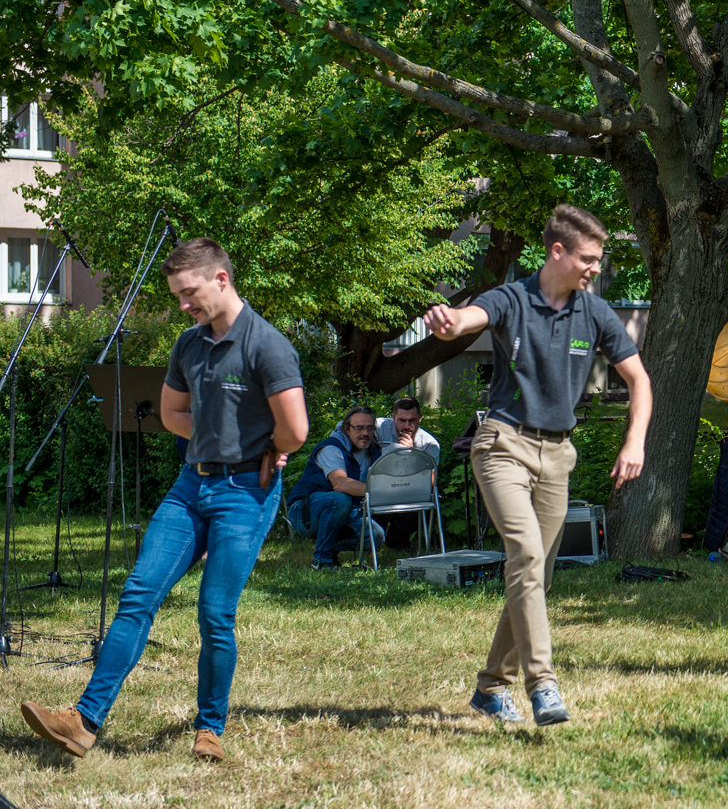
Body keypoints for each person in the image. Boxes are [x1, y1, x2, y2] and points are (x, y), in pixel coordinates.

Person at [20, 238, 308, 762]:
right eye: (178, 295)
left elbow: (296, 430)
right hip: (190, 487)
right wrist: (216, 434)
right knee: (138, 595)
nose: (183, 304)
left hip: (247, 493)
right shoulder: (188, 345)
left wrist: (267, 448)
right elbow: (172, 414)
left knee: (215, 613)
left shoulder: (266, 345)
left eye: (189, 293)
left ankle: (210, 729)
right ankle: (83, 722)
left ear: (221, 279)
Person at [424, 204, 652, 726]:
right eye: (588, 258)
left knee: (537, 576)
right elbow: (468, 319)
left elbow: (639, 379)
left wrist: (634, 441)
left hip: (557, 455)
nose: (595, 268)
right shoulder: (512, 298)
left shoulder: (595, 313)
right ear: (557, 252)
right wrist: (448, 323)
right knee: (525, 556)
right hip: (503, 444)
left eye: (598, 259)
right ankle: (543, 684)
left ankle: (490, 687)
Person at [285, 405, 387, 568]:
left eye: (370, 428)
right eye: (359, 428)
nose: (365, 433)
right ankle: (322, 559)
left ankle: (328, 545)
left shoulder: (373, 449)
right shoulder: (331, 448)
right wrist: (383, 492)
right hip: (303, 513)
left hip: (346, 512)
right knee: (340, 498)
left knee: (376, 536)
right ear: (346, 429)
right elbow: (340, 484)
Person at [372, 396, 441, 550]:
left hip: (409, 490)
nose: (407, 425)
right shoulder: (378, 428)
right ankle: (374, 537)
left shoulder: (430, 444)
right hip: (379, 485)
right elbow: (346, 427)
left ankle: (398, 536)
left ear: (420, 417)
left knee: (429, 499)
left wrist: (411, 455)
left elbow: (429, 482)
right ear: (393, 417)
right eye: (402, 420)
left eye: (412, 420)